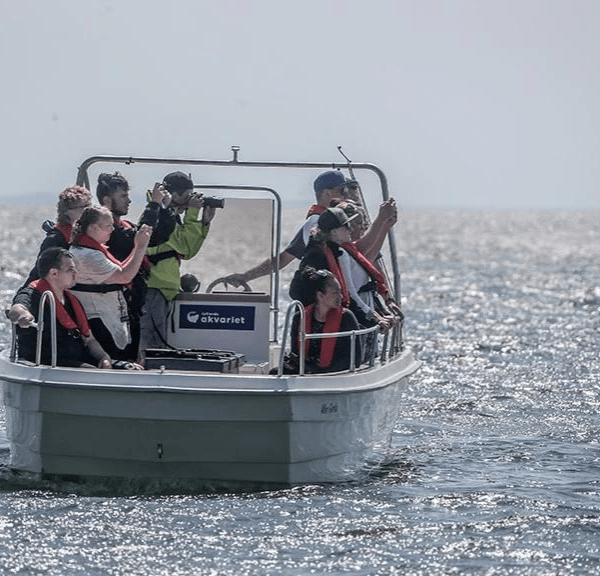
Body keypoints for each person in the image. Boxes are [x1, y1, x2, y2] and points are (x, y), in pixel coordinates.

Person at [223, 170, 353, 287]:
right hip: (331, 291)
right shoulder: (316, 222)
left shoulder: (335, 220)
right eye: (344, 191)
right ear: (327, 193)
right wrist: (245, 276)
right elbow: (284, 259)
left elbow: (283, 259)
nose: (347, 196)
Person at [139, 171, 217, 358]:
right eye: (186, 196)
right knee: (151, 346)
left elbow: (187, 251)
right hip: (154, 287)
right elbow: (183, 244)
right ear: (172, 195)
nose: (189, 200)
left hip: (162, 287)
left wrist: (204, 222)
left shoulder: (168, 214)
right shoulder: (158, 213)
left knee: (156, 343)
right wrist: (192, 213)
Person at [95, 172, 171, 359]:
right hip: (113, 309)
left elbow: (158, 236)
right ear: (106, 201)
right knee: (120, 357)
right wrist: (153, 204)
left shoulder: (126, 227)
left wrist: (165, 209)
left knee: (132, 356)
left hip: (132, 307)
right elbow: (135, 238)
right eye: (123, 196)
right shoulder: (107, 233)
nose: (129, 201)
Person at [69, 206, 152, 362]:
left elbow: (121, 269)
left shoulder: (90, 250)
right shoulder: (88, 255)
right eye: (108, 226)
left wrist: (136, 246)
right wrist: (140, 247)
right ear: (93, 228)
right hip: (99, 321)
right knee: (115, 358)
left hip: (110, 316)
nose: (113, 229)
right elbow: (125, 276)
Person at [7, 247, 113, 369]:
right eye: (71, 270)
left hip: (77, 359)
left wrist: (104, 358)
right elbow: (17, 308)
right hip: (47, 362)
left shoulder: (71, 300)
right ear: (54, 273)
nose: (76, 274)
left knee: (131, 368)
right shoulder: (32, 295)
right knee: (91, 371)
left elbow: (89, 340)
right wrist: (23, 316)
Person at [289, 267, 361, 374]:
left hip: (335, 375)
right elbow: (295, 353)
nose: (340, 296)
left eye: (340, 292)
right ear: (320, 295)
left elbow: (355, 359)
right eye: (335, 293)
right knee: (274, 372)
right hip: (306, 373)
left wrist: (320, 372)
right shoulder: (299, 318)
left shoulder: (346, 317)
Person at [23, 186, 92, 285]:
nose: (89, 210)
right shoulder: (54, 240)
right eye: (83, 207)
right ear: (67, 211)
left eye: (89, 206)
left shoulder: (93, 233)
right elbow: (39, 274)